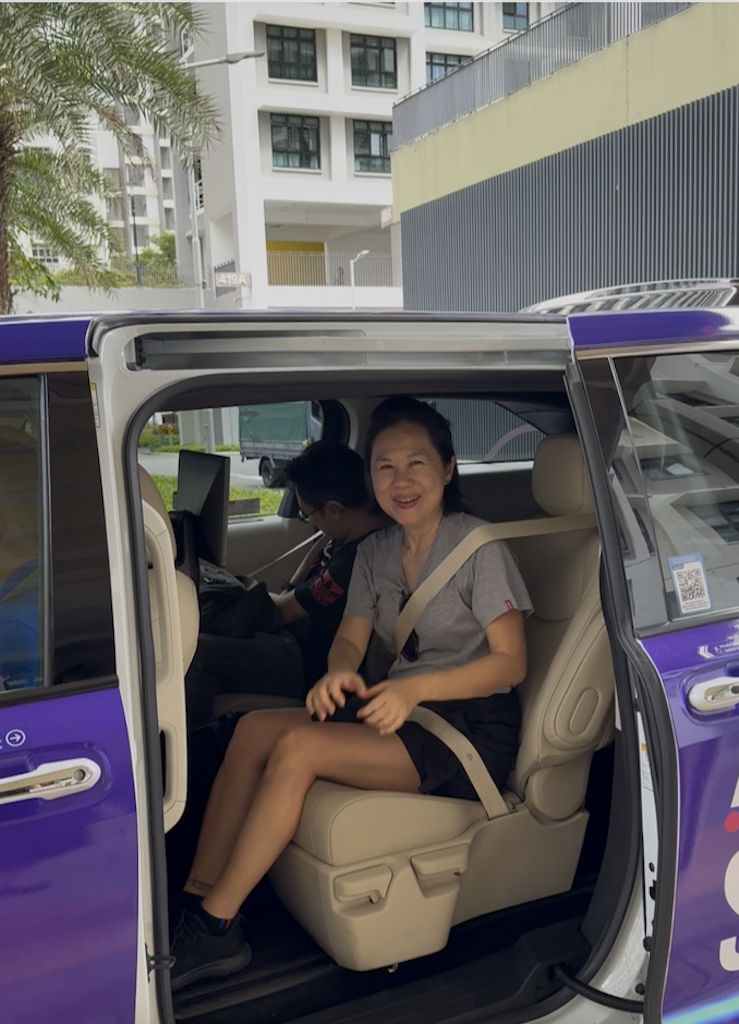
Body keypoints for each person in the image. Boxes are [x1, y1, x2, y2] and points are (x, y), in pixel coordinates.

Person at [169, 397, 532, 990]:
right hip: (402, 712)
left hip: (466, 731)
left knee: (298, 749)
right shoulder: (377, 552)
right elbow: (350, 636)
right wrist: (338, 672)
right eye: (385, 466)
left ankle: (217, 931)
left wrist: (416, 692)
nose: (401, 480)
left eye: (417, 463)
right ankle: (197, 898)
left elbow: (509, 664)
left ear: (448, 468)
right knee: (257, 727)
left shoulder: (479, 549)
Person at [184, 441, 385, 725]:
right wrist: (324, 536)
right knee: (200, 638)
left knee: (196, 654)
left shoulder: (355, 561)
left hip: (303, 660)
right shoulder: (343, 536)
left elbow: (283, 609)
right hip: (290, 639)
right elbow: (291, 589)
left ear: (335, 509)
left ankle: (190, 749)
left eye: (308, 515)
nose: (311, 523)